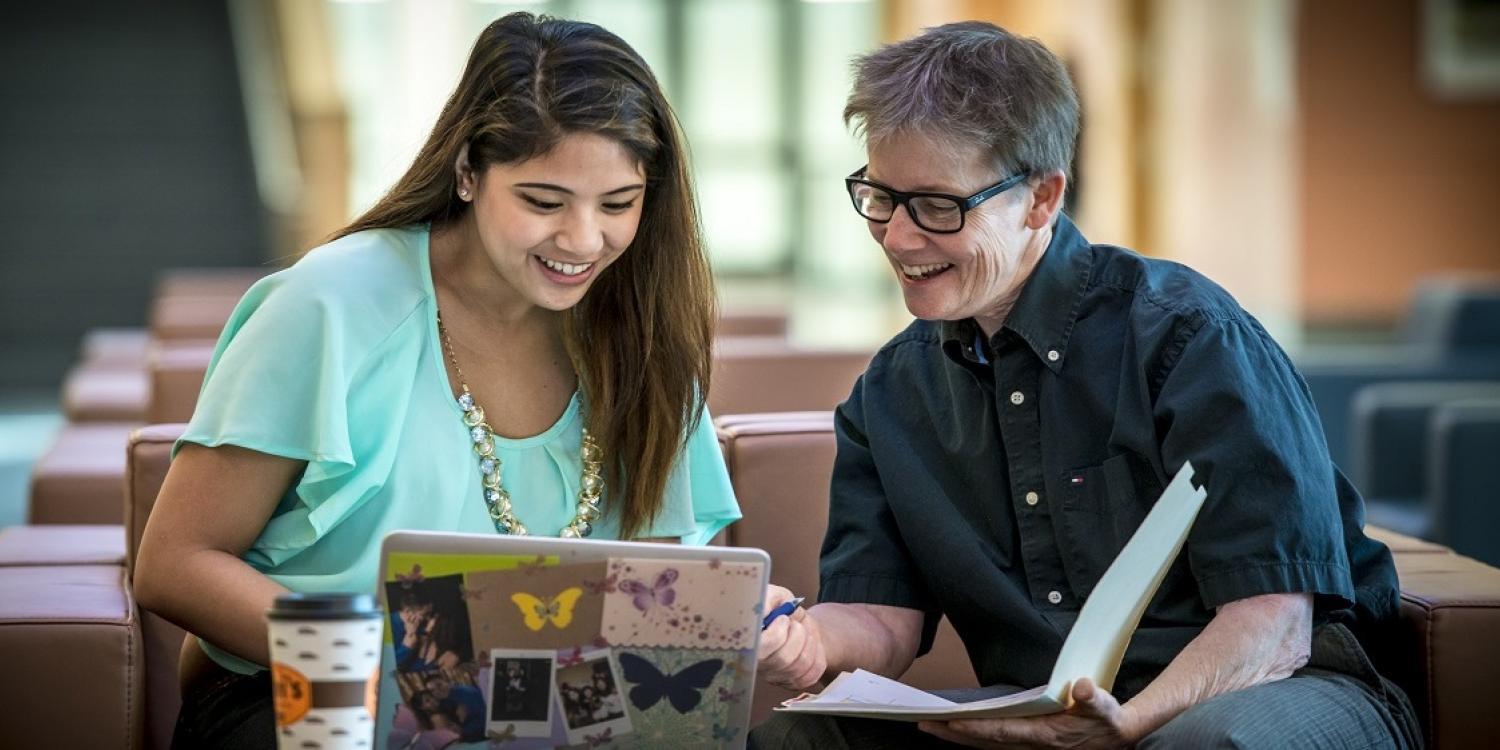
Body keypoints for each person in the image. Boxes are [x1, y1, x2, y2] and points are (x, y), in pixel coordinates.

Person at [754, 21, 1421, 750]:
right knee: (808, 739)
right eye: (880, 196)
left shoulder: (1188, 336)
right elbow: (883, 618)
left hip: (1272, 689)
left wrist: (1130, 726)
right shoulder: (890, 393)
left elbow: (1274, 623)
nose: (897, 237)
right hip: (1043, 714)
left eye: (937, 207)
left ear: (1041, 198)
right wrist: (809, 638)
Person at [133, 12, 740, 748]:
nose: (584, 240)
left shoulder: (645, 332)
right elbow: (174, 565)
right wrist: (406, 673)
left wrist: (730, 624)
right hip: (316, 689)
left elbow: (664, 594)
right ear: (467, 172)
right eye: (543, 202)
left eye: (618, 204)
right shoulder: (330, 303)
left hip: (547, 705)